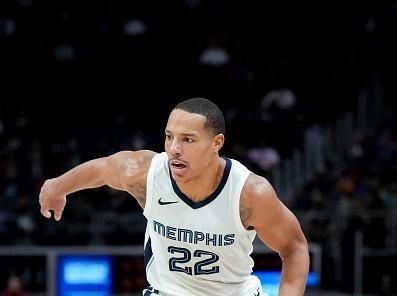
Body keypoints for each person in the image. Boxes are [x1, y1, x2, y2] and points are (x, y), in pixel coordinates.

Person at [39, 98, 310, 296]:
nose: (174, 149)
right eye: (169, 137)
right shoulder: (146, 173)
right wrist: (57, 186)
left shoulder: (249, 193)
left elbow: (295, 249)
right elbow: (102, 169)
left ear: (216, 143)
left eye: (187, 140)